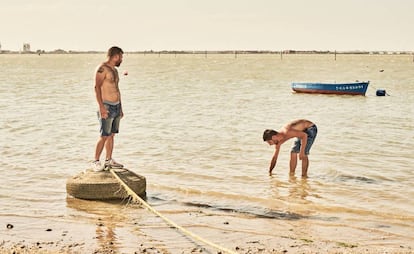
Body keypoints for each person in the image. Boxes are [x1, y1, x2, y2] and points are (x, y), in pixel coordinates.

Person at [92, 46, 124, 171]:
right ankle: (95, 161)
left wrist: (120, 108)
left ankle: (108, 160)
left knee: (111, 135)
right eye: (121, 57)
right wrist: (101, 107)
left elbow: (117, 89)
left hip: (116, 106)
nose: (121, 59)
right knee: (104, 135)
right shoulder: (102, 69)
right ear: (115, 56)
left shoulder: (114, 71)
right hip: (106, 105)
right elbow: (97, 88)